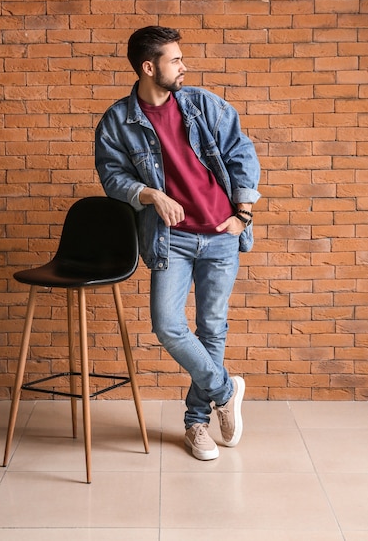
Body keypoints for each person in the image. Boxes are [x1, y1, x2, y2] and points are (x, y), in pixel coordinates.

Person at [95, 26, 260, 461]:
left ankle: (196, 424)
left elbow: (242, 153)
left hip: (221, 236)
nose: (184, 66)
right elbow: (112, 177)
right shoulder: (117, 121)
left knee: (212, 330)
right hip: (172, 240)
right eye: (175, 60)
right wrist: (150, 194)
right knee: (168, 324)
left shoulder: (204, 105)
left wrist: (241, 215)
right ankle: (225, 391)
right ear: (150, 68)